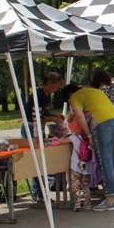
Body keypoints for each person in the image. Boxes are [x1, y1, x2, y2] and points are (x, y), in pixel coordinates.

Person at [63, 83, 114, 212]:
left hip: (102, 123)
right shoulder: (95, 91)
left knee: (105, 161)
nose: (71, 105)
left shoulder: (75, 97)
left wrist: (89, 135)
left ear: (69, 96)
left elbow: (80, 116)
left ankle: (110, 199)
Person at [23, 72, 65, 205]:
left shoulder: (46, 96)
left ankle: (39, 193)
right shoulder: (39, 95)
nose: (56, 90)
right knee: (37, 161)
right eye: (56, 87)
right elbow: (38, 116)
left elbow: (45, 113)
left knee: (41, 161)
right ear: (50, 83)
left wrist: (54, 115)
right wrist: (53, 119)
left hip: (38, 128)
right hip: (31, 128)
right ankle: (38, 194)